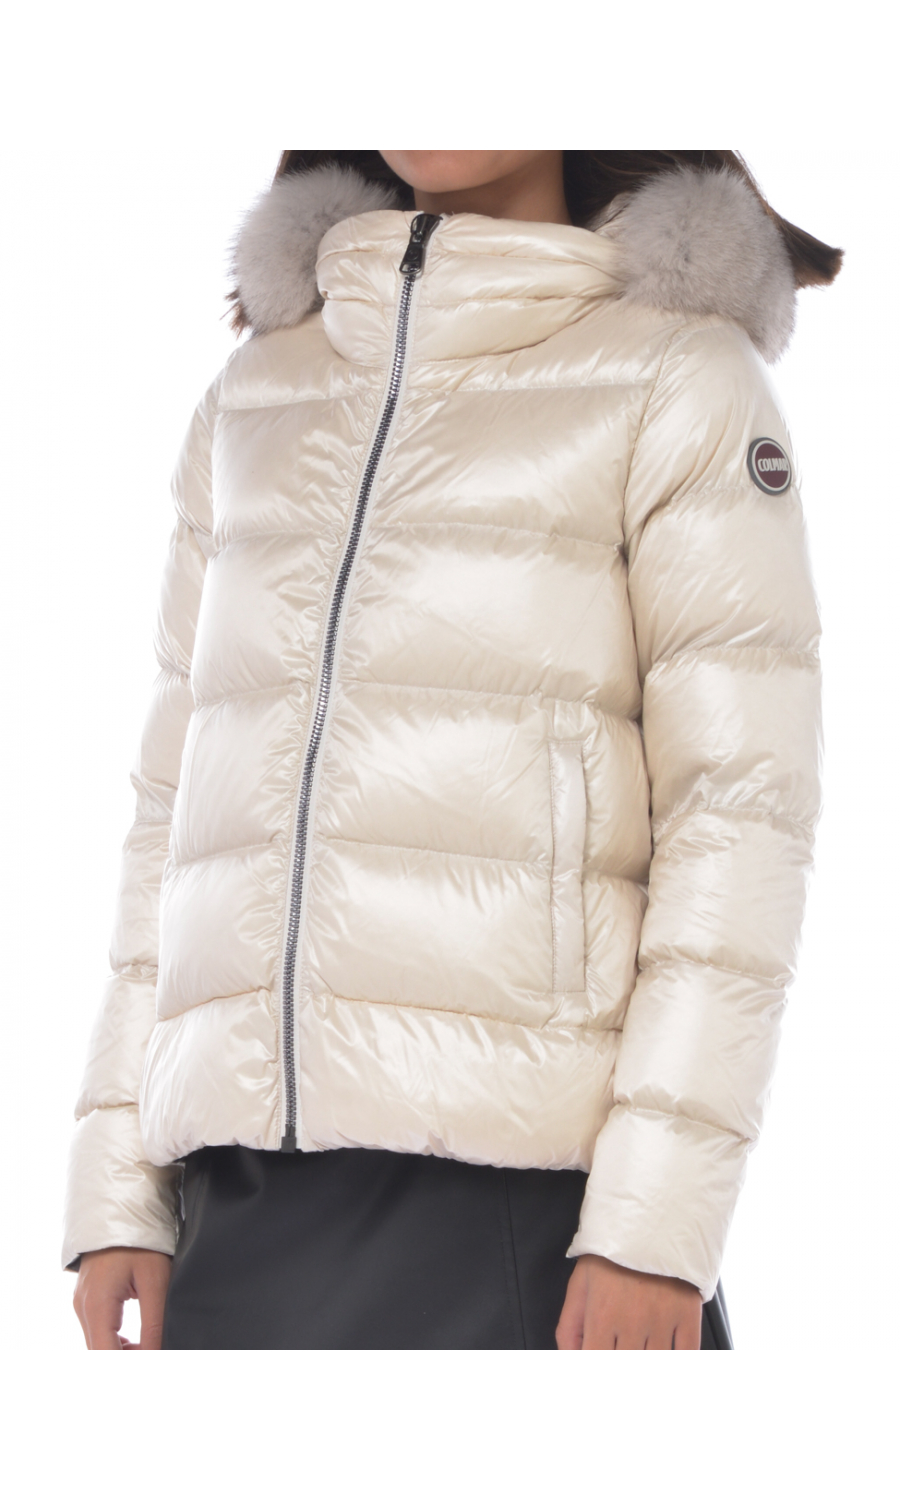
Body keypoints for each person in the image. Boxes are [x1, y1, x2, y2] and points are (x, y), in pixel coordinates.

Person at [64, 150, 840, 1350]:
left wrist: (654, 1223)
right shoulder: (257, 393)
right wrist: (120, 1184)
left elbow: (739, 817)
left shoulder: (676, 378)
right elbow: (175, 810)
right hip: (235, 1203)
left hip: (523, 1213)